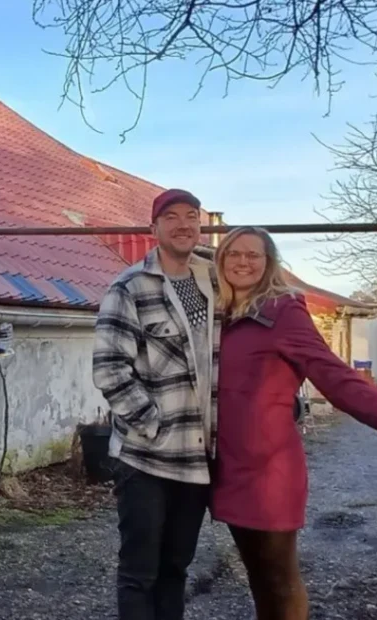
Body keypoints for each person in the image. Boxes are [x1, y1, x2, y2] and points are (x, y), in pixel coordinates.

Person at [211, 227, 377, 620]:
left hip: (269, 473)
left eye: (253, 256)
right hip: (227, 469)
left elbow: (337, 379)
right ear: (221, 259)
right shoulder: (219, 316)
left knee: (280, 580)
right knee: (259, 578)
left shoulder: (283, 312)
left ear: (268, 264)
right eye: (234, 254)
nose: (242, 262)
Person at [93, 188, 219, 620]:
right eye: (171, 216)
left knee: (176, 569)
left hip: (199, 460)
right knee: (139, 573)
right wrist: (155, 426)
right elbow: (110, 368)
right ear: (154, 228)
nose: (184, 224)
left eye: (192, 216)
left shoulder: (215, 283)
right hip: (146, 459)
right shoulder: (129, 287)